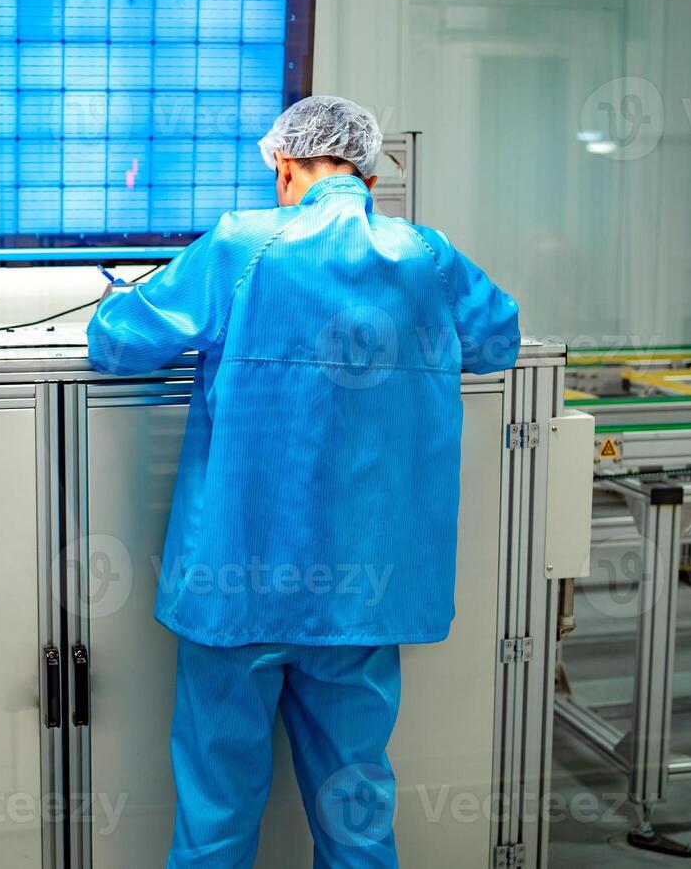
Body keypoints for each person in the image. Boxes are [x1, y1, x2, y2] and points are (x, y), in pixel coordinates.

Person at [87, 95, 520, 868]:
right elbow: (496, 343)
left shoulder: (239, 244)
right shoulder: (428, 256)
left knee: (215, 818)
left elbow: (119, 346)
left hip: (235, 591)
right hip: (364, 592)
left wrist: (123, 297)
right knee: (356, 821)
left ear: (285, 165)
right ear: (366, 167)